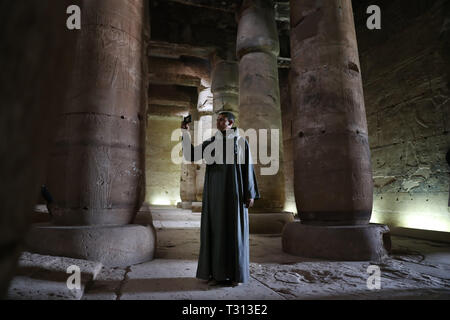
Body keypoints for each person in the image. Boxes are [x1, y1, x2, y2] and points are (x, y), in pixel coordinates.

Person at [181, 111, 260, 287]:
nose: (218, 122)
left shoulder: (240, 142)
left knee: (234, 230)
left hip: (234, 192)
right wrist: (185, 133)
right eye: (217, 119)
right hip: (215, 194)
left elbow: (247, 167)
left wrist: (250, 193)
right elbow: (191, 155)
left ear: (231, 123)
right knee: (216, 230)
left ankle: (235, 275)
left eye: (222, 120)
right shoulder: (212, 141)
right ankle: (217, 273)